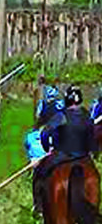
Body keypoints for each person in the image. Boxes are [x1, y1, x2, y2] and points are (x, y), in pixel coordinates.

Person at [32, 85, 98, 214]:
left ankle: (38, 206)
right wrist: (93, 152)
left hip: (62, 155)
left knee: (39, 172)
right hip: (83, 157)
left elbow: (45, 133)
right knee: (95, 177)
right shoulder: (88, 117)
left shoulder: (61, 116)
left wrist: (47, 149)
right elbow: (93, 138)